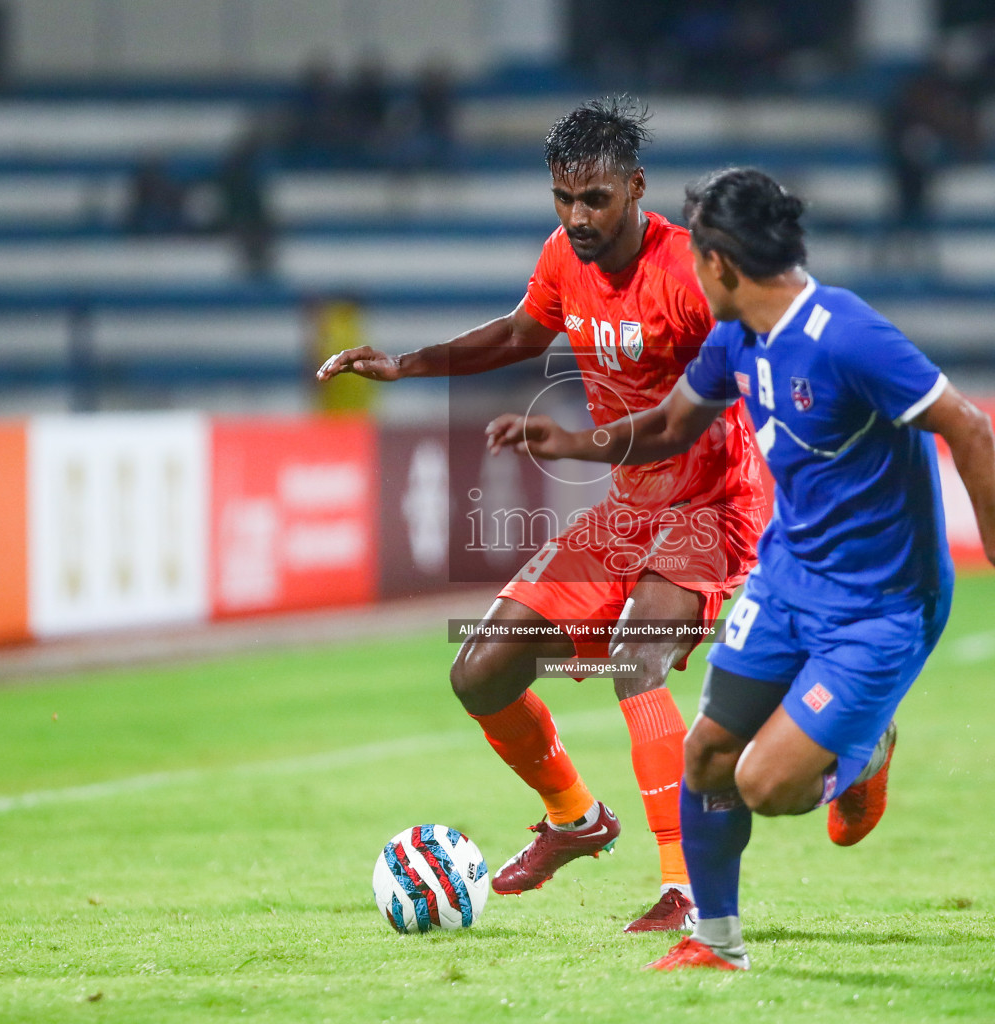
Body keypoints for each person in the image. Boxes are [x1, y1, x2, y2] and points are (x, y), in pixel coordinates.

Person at [486, 167, 995, 969]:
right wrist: (567, 443)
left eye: (697, 256)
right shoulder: (735, 337)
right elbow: (667, 426)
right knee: (705, 756)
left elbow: (966, 424)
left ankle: (863, 750)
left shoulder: (846, 333)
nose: (688, 270)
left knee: (768, 786)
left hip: (881, 603)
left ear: (724, 263)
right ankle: (717, 943)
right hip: (786, 582)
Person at [317, 98, 767, 932]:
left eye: (594, 198)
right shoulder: (565, 255)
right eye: (563, 198)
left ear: (635, 188)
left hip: (711, 504)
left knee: (637, 658)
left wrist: (579, 441)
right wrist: (408, 365)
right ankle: (576, 818)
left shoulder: (689, 275)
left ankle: (686, 886)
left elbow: (700, 410)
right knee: (481, 669)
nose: (577, 216)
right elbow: (523, 331)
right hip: (629, 506)